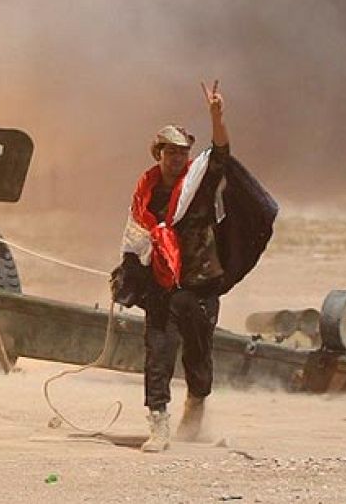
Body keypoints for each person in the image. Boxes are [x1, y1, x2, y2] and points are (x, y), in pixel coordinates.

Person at [122, 81, 231, 454]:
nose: (176, 159)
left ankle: (196, 405)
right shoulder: (145, 193)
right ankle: (159, 426)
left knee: (197, 357)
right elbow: (135, 238)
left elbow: (220, 153)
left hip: (198, 284)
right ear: (159, 154)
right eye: (170, 152)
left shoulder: (198, 185)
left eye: (183, 152)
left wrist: (217, 115)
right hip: (161, 287)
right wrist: (126, 274)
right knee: (158, 354)